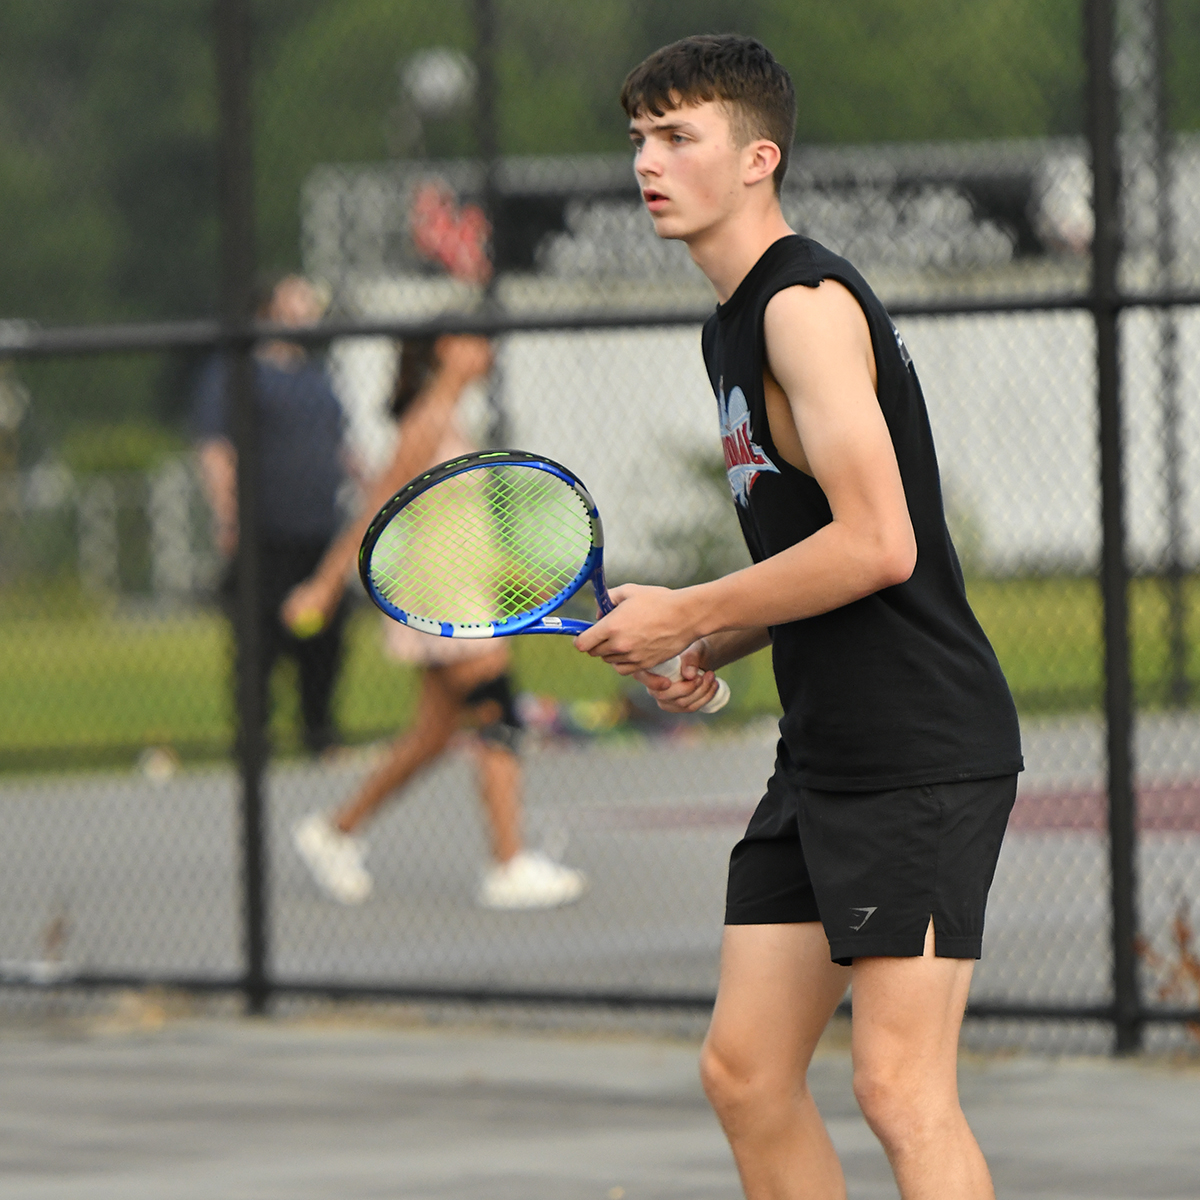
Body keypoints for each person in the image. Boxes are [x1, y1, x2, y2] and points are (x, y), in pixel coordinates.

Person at [576, 35, 1023, 1200]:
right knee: (746, 1072)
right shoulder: (727, 323)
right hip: (824, 754)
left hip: (919, 749)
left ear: (758, 157)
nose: (648, 164)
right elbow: (808, 563)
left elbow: (880, 544)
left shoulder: (802, 306)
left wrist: (686, 606)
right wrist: (700, 639)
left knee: (899, 1089)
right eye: (639, 140)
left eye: (679, 137)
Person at [285, 334, 587, 910]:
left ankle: (334, 831)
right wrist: (325, 585)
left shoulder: (449, 420)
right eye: (474, 340)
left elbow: (462, 520)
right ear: (447, 349)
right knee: (500, 710)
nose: (487, 349)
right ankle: (508, 864)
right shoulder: (427, 419)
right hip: (440, 597)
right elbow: (378, 502)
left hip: (465, 591)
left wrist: (520, 577)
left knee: (431, 737)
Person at [193, 273, 349, 757]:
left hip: (320, 532)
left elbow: (339, 446)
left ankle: (319, 735)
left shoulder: (317, 377)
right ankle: (254, 744)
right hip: (265, 532)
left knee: (325, 641)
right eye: (297, 299)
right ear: (271, 308)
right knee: (257, 644)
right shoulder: (239, 371)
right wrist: (228, 516)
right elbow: (217, 449)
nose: (309, 308)